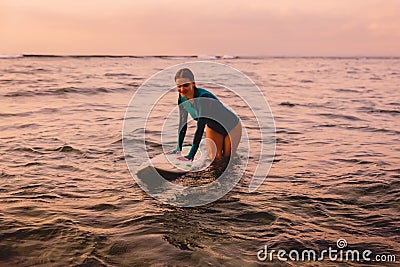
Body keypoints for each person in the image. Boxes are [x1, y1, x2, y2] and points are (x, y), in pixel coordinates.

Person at [168, 68, 242, 162]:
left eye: (186, 85)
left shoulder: (203, 98)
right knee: (215, 159)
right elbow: (182, 124)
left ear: (193, 83)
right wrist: (178, 148)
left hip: (231, 126)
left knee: (227, 159)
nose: (182, 89)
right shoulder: (182, 99)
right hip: (213, 127)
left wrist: (190, 155)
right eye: (179, 86)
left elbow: (200, 127)